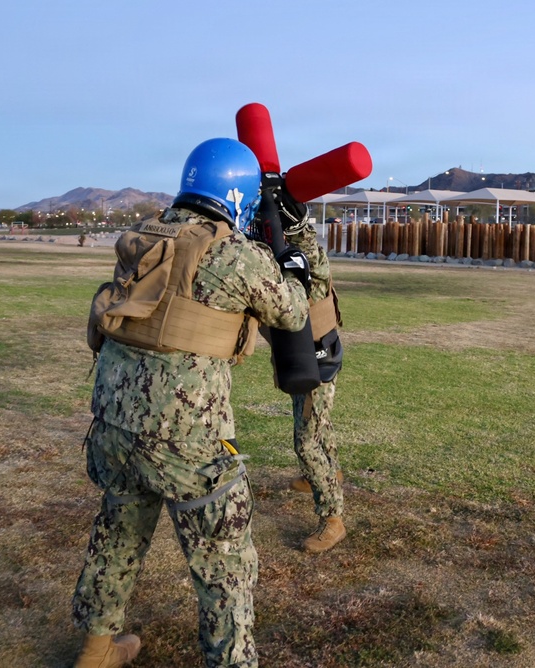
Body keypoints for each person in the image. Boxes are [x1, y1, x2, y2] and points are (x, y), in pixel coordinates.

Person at [72, 138, 313, 668]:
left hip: (112, 424)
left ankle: (94, 652)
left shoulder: (143, 235)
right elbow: (293, 313)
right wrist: (293, 261)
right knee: (225, 565)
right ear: (237, 195)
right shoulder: (237, 255)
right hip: (185, 440)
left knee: (118, 534)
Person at [258, 186, 347, 554]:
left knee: (306, 441)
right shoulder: (289, 254)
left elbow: (306, 259)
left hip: (318, 361)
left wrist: (291, 225)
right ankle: (327, 476)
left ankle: (333, 519)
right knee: (318, 426)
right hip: (306, 355)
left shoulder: (307, 263)